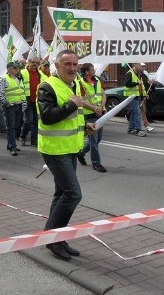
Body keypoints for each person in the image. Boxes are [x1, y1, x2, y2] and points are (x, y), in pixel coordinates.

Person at [37, 49, 95, 261]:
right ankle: (51, 239)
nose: (72, 68)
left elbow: (70, 119)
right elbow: (47, 117)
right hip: (54, 149)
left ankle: (56, 237)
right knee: (72, 194)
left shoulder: (71, 86)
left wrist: (85, 126)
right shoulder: (47, 86)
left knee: (61, 193)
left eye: (74, 64)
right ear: (57, 65)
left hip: (69, 148)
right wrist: (72, 104)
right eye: (67, 64)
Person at [77, 63, 107, 172]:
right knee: (94, 141)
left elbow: (103, 94)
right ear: (86, 72)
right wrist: (94, 108)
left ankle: (81, 153)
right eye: (92, 69)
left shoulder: (97, 80)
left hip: (99, 113)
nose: (94, 71)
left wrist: (101, 106)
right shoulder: (81, 83)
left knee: (98, 139)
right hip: (89, 115)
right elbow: (82, 101)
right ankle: (96, 163)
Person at [0, 61, 26, 156]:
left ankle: (10, 145)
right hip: (11, 107)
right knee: (11, 127)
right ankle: (12, 147)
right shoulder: (3, 78)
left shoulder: (18, 78)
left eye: (17, 68)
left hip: (19, 106)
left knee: (15, 127)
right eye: (14, 68)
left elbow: (22, 92)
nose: (17, 69)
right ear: (9, 69)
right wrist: (6, 103)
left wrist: (24, 104)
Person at [20, 56, 44, 146]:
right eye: (33, 62)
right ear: (28, 63)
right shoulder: (23, 72)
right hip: (27, 99)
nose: (35, 64)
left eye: (37, 63)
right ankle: (22, 136)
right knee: (29, 120)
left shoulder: (39, 73)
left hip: (37, 99)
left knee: (36, 121)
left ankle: (34, 140)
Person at [123, 63, 148, 137]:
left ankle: (131, 128)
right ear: (135, 65)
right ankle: (138, 130)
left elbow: (141, 85)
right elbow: (127, 84)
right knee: (137, 112)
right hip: (131, 96)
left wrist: (144, 94)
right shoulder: (130, 73)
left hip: (137, 95)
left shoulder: (138, 73)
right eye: (139, 65)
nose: (140, 67)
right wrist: (136, 83)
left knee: (134, 112)